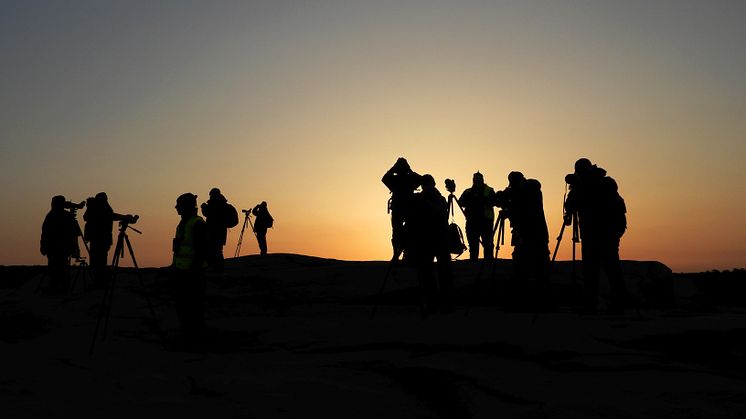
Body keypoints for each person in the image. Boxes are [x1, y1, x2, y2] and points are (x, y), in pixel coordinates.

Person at [564, 158, 628, 314]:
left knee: (610, 267)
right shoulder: (582, 186)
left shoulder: (604, 183)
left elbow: (598, 200)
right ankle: (591, 303)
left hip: (606, 232)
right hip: (590, 233)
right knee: (590, 269)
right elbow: (571, 204)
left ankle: (618, 304)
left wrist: (580, 186)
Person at [497, 172, 551, 309]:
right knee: (523, 267)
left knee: (537, 268)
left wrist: (509, 211)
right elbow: (514, 203)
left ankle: (541, 302)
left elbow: (526, 211)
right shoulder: (521, 191)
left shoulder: (531, 189)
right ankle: (528, 301)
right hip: (524, 234)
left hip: (534, 235)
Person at [406, 174, 455, 314]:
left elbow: (413, 218)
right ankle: (446, 303)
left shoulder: (421, 199)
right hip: (438, 239)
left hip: (427, 240)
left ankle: (434, 303)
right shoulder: (440, 199)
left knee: (428, 273)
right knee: (443, 272)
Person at [172, 193, 208, 345]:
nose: (176, 208)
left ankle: (194, 338)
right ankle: (187, 334)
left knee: (193, 307)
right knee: (183, 306)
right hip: (182, 271)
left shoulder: (196, 224)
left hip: (193, 273)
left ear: (186, 206)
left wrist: (193, 269)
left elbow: (201, 250)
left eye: (178, 205)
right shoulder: (183, 223)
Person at [83, 192, 128, 288]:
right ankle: (100, 282)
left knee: (98, 261)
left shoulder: (98, 209)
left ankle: (100, 282)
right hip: (101, 239)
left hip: (99, 239)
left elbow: (110, 216)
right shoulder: (100, 209)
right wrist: (124, 217)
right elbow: (111, 216)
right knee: (99, 262)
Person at [382, 157, 421, 260]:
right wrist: (410, 171)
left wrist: (393, 169)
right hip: (407, 208)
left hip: (400, 208)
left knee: (398, 231)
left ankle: (398, 254)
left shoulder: (394, 179)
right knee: (408, 230)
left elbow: (385, 178)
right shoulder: (410, 179)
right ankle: (403, 254)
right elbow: (419, 179)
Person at [40, 195, 79, 294]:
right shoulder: (61, 216)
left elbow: (45, 232)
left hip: (57, 247)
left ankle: (58, 286)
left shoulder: (52, 215)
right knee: (58, 267)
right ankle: (60, 286)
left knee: (57, 267)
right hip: (57, 247)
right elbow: (73, 233)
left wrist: (43, 245)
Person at [459, 172, 496, 260]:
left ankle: (488, 262)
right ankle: (473, 263)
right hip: (472, 221)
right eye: (475, 180)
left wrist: (482, 199)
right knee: (473, 244)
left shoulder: (489, 190)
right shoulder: (468, 192)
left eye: (478, 180)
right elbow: (460, 202)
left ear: (482, 180)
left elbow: (494, 202)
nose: (477, 181)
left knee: (488, 243)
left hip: (486, 221)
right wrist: (471, 200)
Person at [200, 188, 230, 273]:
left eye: (211, 194)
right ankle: (217, 267)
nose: (210, 196)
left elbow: (209, 214)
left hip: (214, 231)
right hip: (221, 231)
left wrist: (203, 207)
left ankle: (217, 268)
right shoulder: (223, 204)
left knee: (214, 249)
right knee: (216, 249)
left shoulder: (216, 204)